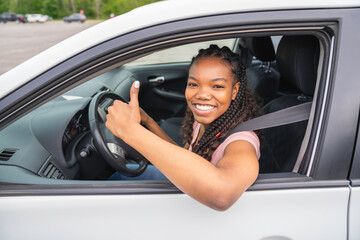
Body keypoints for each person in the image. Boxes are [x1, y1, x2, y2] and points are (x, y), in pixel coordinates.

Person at [106, 45, 261, 211]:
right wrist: (147, 121)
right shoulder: (204, 121)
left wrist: (131, 132)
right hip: (188, 194)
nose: (202, 94)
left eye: (217, 86)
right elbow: (183, 157)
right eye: (194, 84)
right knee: (124, 173)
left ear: (234, 91)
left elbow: (221, 195)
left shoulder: (242, 142)